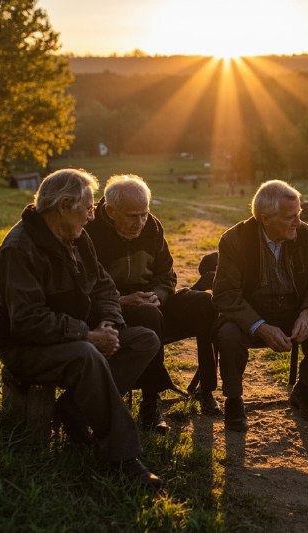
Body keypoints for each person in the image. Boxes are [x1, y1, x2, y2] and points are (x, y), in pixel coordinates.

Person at [0, 168, 162, 489]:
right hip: (24, 348)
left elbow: (104, 288)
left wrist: (108, 324)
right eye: (89, 208)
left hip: (69, 337)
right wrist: (87, 335)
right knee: (85, 355)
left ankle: (73, 409)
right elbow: (26, 321)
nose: (92, 217)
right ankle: (122, 456)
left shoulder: (76, 236)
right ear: (64, 205)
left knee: (144, 340)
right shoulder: (19, 249)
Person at [85, 174, 220, 434]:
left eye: (145, 213)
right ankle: (151, 402)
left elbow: (166, 274)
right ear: (111, 211)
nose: (141, 222)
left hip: (152, 299)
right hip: (112, 307)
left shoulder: (152, 227)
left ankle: (206, 389)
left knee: (204, 304)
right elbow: (85, 289)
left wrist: (159, 294)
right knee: (149, 314)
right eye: (133, 216)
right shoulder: (90, 233)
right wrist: (123, 301)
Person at [212, 180, 308, 432]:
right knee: (228, 333)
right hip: (253, 313)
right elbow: (225, 295)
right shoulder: (234, 240)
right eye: (290, 217)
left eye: (299, 214)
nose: (298, 222)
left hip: (295, 311)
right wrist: (259, 326)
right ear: (265, 218)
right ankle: (234, 399)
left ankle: (303, 389)